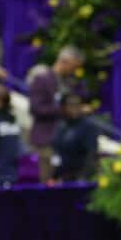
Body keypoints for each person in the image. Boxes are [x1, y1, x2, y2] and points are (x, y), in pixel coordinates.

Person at [29, 46, 85, 183]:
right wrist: (64, 111)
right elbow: (35, 109)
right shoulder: (42, 79)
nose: (75, 71)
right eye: (73, 67)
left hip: (66, 143)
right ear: (64, 62)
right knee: (46, 184)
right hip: (46, 142)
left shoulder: (69, 82)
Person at [51, 92, 98, 183]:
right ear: (63, 108)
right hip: (63, 177)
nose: (74, 109)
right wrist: (54, 177)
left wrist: (83, 178)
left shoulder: (88, 126)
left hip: (81, 178)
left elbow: (91, 154)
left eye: (77, 105)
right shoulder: (61, 127)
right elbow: (58, 153)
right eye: (71, 105)